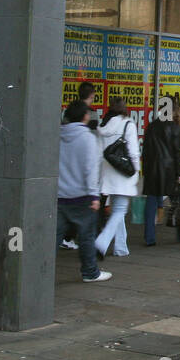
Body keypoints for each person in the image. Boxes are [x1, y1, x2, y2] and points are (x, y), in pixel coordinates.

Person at [56, 100, 108, 282]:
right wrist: (94, 195)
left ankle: (41, 268)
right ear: (85, 116)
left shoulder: (58, 135)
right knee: (86, 236)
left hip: (60, 195)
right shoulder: (88, 138)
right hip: (82, 196)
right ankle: (90, 272)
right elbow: (90, 169)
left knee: (54, 236)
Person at [142, 96, 180, 247]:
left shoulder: (151, 126)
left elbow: (145, 151)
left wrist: (145, 170)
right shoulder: (174, 127)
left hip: (153, 169)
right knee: (178, 201)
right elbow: (178, 152)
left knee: (151, 203)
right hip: (169, 170)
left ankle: (149, 237)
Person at [95, 97, 141, 259]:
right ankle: (101, 243)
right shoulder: (128, 124)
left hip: (107, 174)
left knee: (117, 211)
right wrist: (136, 171)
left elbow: (100, 153)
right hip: (124, 173)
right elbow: (134, 152)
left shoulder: (103, 126)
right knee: (120, 211)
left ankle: (121, 247)